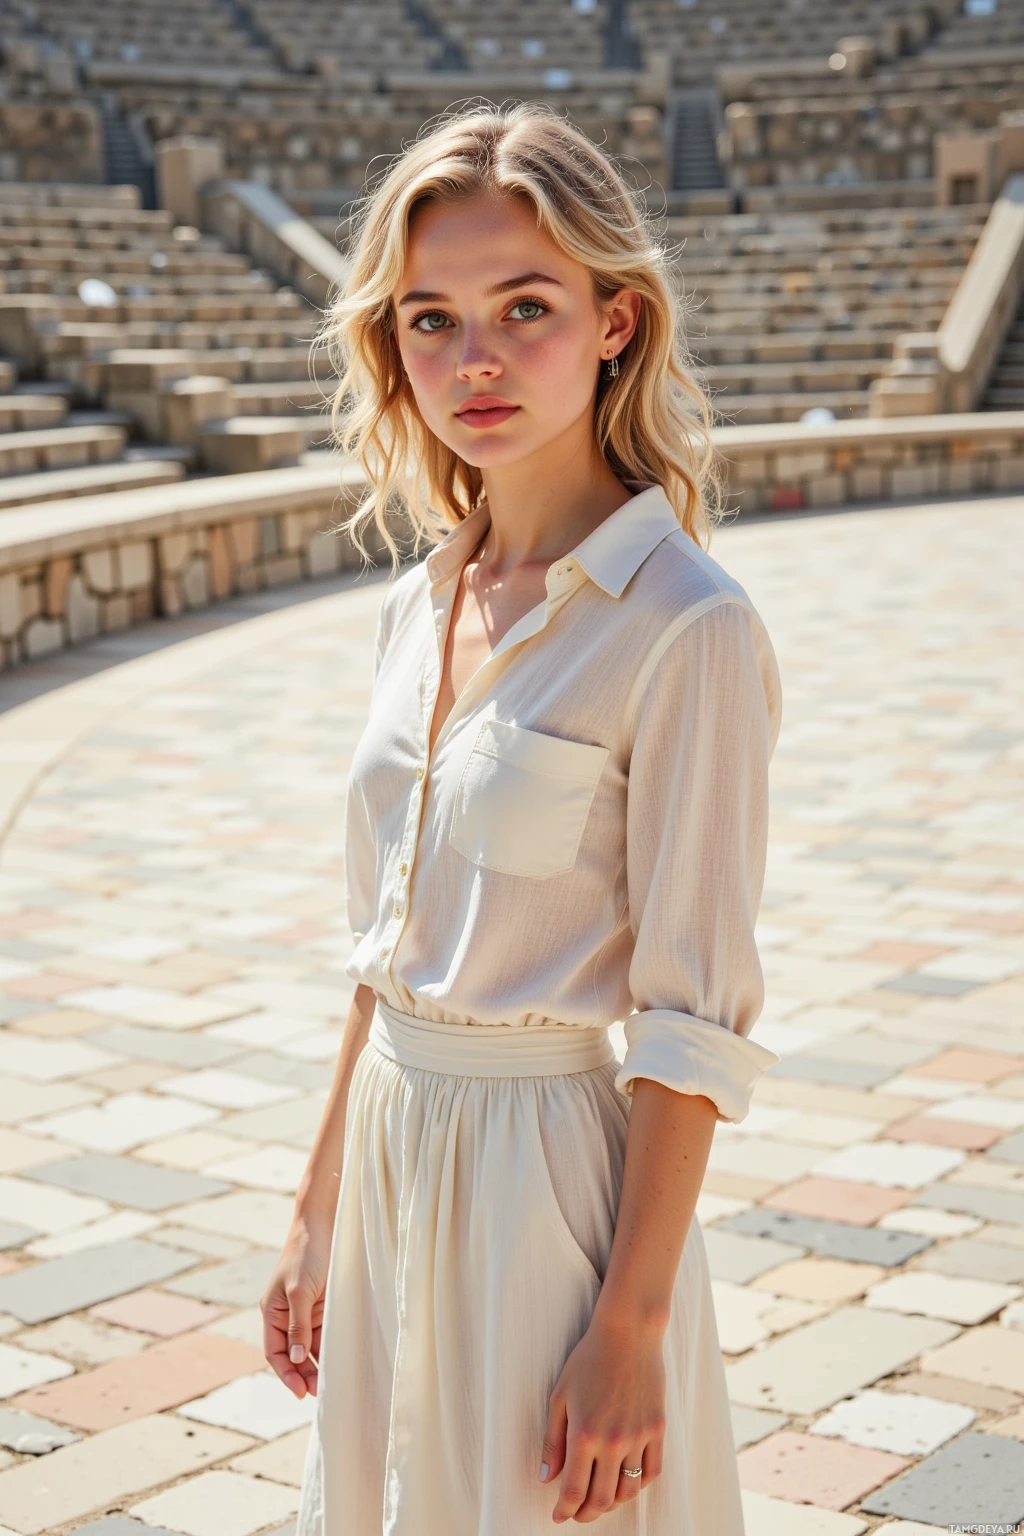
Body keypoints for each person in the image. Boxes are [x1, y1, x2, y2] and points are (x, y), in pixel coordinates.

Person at [261, 101, 782, 1533]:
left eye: (525, 307)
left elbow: (692, 1025)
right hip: (385, 1147)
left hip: (544, 1179)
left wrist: (630, 1330)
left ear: (616, 321)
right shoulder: (413, 603)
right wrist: (315, 1210)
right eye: (430, 319)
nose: (473, 360)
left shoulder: (688, 628)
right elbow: (385, 946)